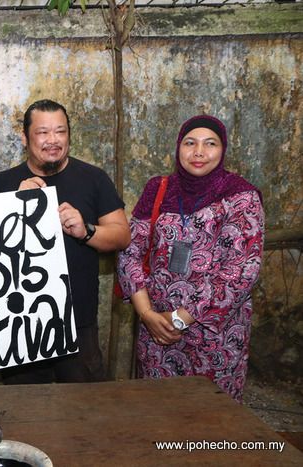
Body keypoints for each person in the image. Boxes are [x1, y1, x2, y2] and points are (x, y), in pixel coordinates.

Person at [117, 115, 264, 402]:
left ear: (222, 150)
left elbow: (242, 270)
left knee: (211, 413)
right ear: (178, 147)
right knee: (156, 408)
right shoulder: (158, 189)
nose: (199, 152)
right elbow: (130, 250)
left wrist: (180, 319)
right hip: (157, 332)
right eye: (190, 143)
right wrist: (146, 314)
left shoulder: (240, 196)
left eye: (210, 144)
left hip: (214, 336)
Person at [0, 99, 130, 384]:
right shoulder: (2, 184)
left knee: (85, 406)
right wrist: (13, 205)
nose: (53, 140)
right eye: (43, 132)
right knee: (23, 406)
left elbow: (122, 235)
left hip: (78, 321)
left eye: (60, 131)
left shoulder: (93, 178)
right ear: (25, 137)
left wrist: (86, 231)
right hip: (20, 323)